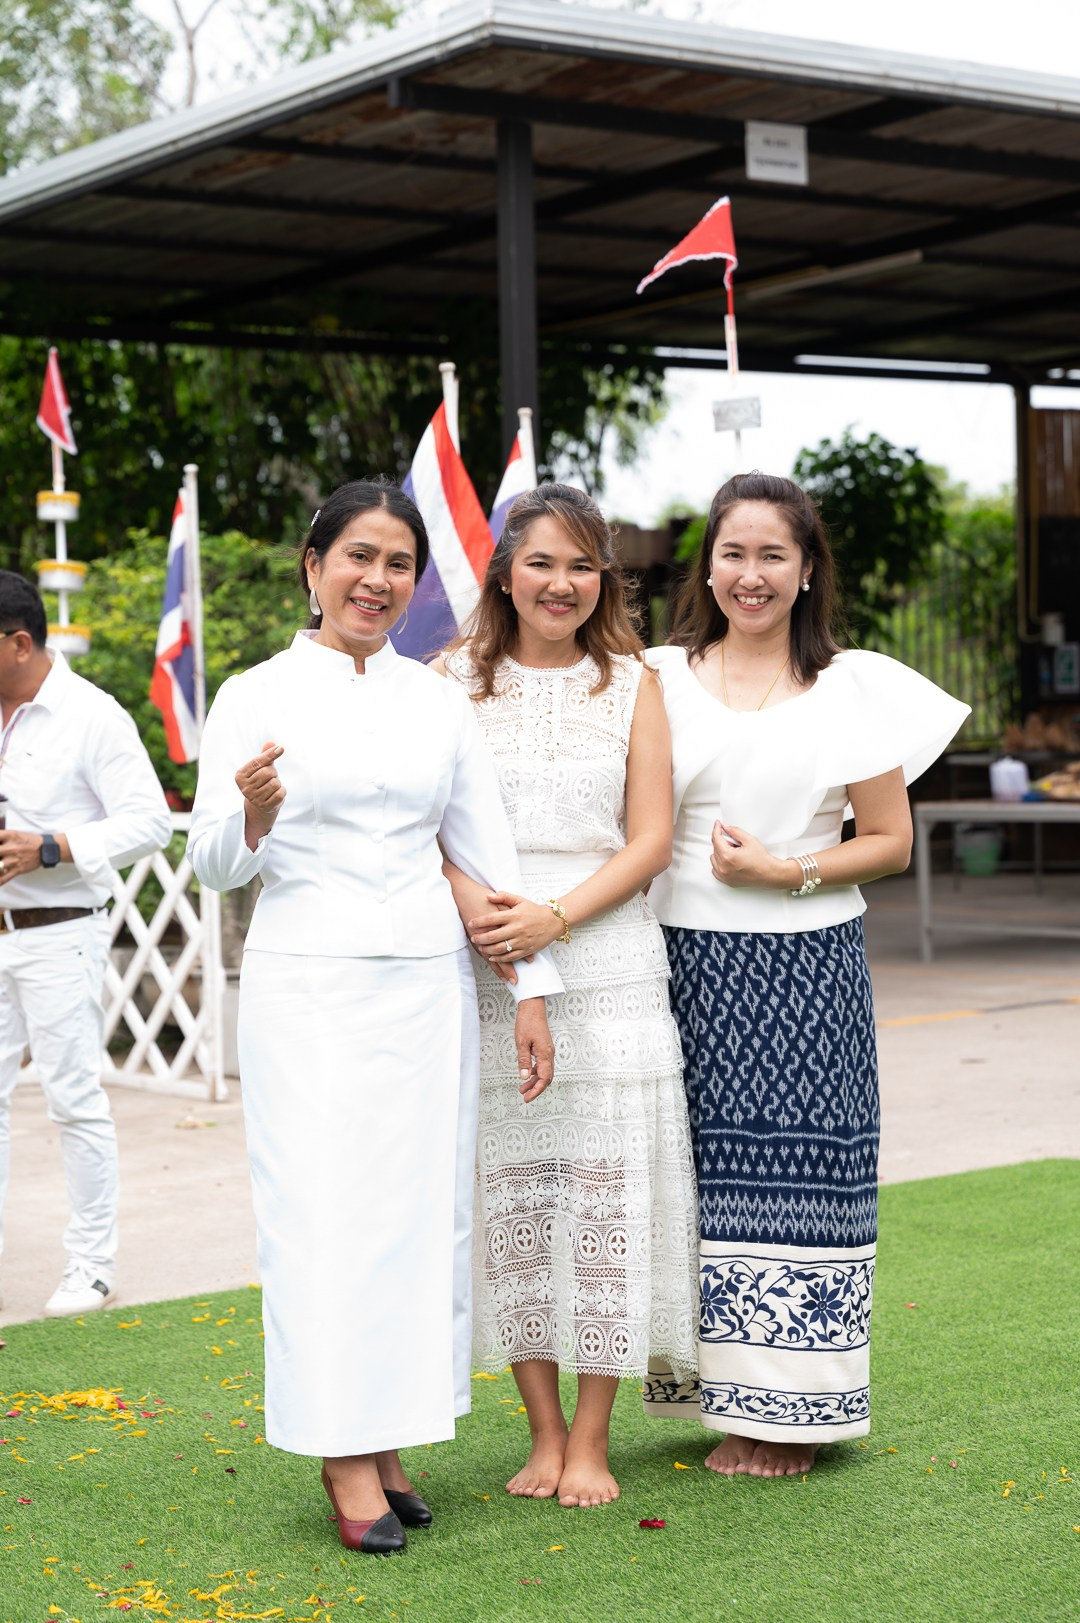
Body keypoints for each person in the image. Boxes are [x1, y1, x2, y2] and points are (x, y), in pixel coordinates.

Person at [187, 478, 563, 1557]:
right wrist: (253, 813)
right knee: (323, 1221)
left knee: (414, 1222)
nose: (378, 580)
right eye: (358, 556)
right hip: (310, 988)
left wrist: (530, 994)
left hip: (425, 987)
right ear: (313, 568)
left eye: (398, 564)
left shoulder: (436, 698)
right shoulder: (256, 694)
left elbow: (486, 854)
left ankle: (391, 1438)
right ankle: (341, 1453)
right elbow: (212, 862)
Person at [643, 472, 969, 1478]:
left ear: (806, 568)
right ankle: (720, 1400)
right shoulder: (655, 675)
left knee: (798, 1175)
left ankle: (794, 1419)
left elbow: (891, 839)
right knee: (700, 1181)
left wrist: (786, 871)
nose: (751, 574)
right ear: (708, 564)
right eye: (734, 553)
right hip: (680, 962)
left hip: (806, 969)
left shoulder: (850, 686)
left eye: (773, 555)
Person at [434, 482, 698, 1510]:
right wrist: (489, 916)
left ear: (606, 580)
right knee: (512, 1200)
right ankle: (539, 1431)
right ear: (507, 569)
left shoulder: (633, 682)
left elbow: (650, 840)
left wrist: (557, 919)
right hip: (487, 958)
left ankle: (592, 1437)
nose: (563, 582)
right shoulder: (448, 680)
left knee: (605, 1200)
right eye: (543, 561)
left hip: (611, 963)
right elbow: (423, 826)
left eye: (584, 565)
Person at [0, 570, 171, 1317]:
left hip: (59, 933)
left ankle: (92, 1266)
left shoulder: (92, 716)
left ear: (19, 643)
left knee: (73, 1100)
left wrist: (52, 846)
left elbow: (150, 824)